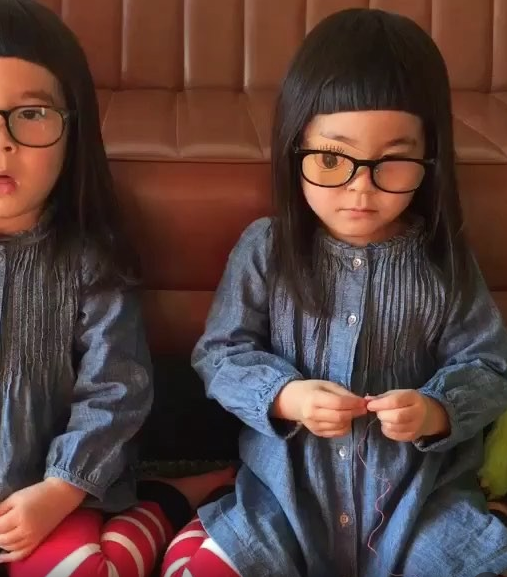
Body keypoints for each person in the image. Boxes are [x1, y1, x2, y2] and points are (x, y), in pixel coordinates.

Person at [0, 1, 231, 576]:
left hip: (50, 496)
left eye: (32, 113)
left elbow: (117, 387)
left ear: (72, 128)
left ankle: (162, 503)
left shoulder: (91, 255)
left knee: (88, 570)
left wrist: (61, 489)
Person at [161, 8, 507, 577]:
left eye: (393, 162)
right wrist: (285, 396)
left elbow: (489, 365)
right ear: (295, 149)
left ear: (430, 157)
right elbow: (219, 354)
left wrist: (436, 410)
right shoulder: (267, 249)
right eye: (330, 159)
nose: (360, 189)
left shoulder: (442, 259)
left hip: (418, 499)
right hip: (285, 495)